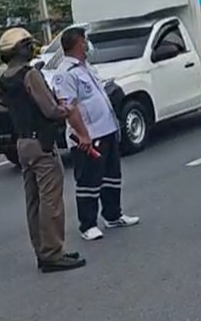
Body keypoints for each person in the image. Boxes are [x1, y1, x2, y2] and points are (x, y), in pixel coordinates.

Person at [0, 27, 90, 273]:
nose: (32, 49)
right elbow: (49, 110)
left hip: (23, 144)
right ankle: (53, 253)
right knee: (51, 201)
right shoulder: (30, 75)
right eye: (28, 45)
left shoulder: (4, 79)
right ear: (21, 49)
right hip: (41, 143)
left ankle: (42, 250)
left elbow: (6, 107)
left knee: (34, 201)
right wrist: (66, 109)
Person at [50, 26, 140, 241]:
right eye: (84, 41)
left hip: (106, 130)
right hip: (88, 136)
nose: (87, 45)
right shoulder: (65, 73)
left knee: (111, 176)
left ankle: (113, 215)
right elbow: (69, 108)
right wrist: (83, 135)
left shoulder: (85, 67)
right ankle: (88, 224)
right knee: (89, 181)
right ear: (77, 44)